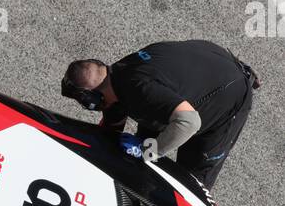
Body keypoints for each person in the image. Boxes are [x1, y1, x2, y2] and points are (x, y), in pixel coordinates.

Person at [60, 41, 260, 188]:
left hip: (226, 97)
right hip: (208, 67)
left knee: (189, 182)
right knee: (138, 148)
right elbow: (111, 129)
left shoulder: (140, 89)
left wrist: (151, 151)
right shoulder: (116, 78)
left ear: (92, 99)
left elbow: (189, 122)